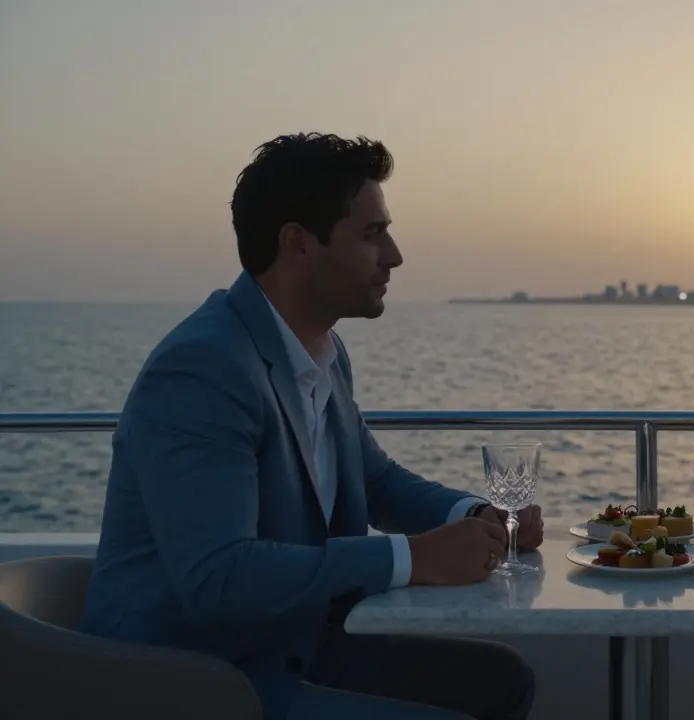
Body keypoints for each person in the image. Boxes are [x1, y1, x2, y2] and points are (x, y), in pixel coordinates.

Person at [79, 132, 540, 720]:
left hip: (287, 649)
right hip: (193, 679)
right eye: (372, 234)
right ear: (298, 244)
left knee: (502, 681)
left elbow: (374, 482)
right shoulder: (203, 368)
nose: (395, 255)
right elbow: (218, 577)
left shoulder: (322, 349)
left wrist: (476, 517)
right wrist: (411, 559)